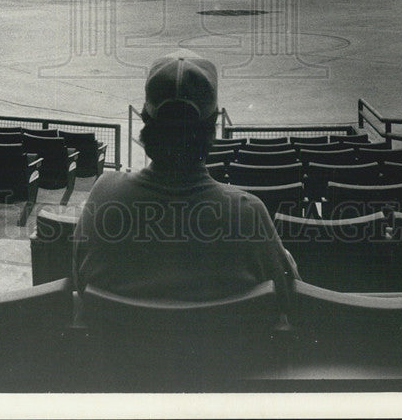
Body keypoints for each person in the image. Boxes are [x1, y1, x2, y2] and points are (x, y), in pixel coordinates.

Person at [72, 52, 298, 304]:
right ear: (212, 126)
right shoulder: (249, 213)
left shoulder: (103, 194)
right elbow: (289, 296)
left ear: (146, 121)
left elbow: (79, 279)